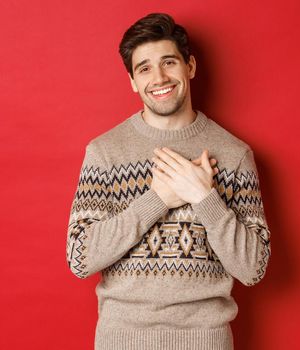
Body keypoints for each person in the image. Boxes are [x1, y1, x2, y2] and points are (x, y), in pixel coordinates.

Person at [65, 13, 271, 350]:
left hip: (206, 341)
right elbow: (79, 259)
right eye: (144, 68)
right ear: (132, 80)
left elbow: (253, 268)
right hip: (121, 340)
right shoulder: (104, 153)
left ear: (190, 66)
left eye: (168, 62)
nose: (158, 77)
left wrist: (205, 197)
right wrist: (157, 199)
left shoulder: (233, 155)